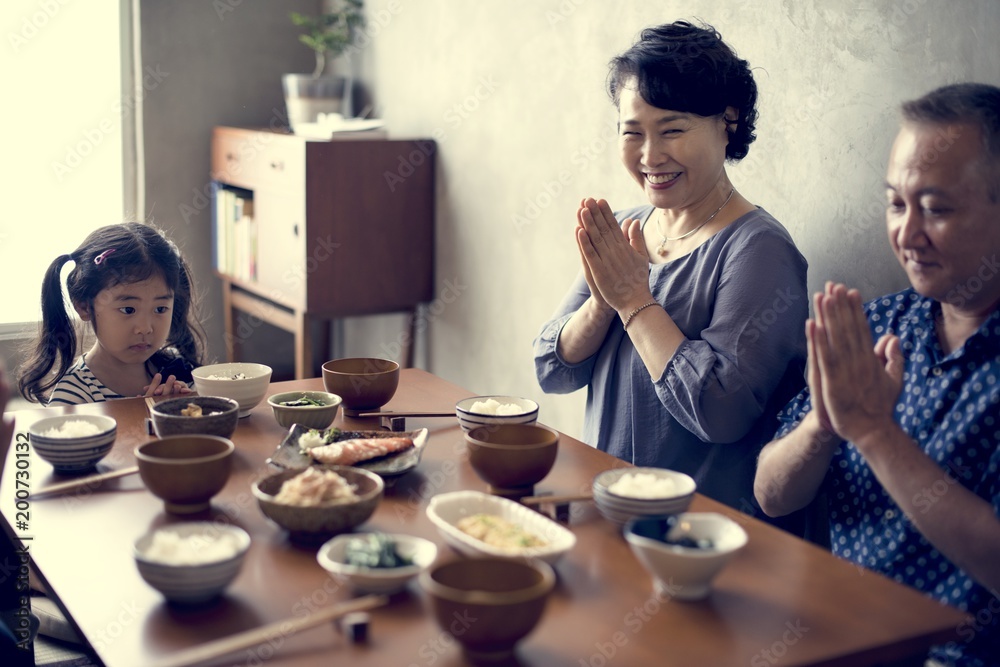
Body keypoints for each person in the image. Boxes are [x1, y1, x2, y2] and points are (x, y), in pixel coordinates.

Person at [754, 83, 1000, 666]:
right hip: (831, 637)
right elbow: (771, 495)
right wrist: (823, 424)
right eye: (896, 203)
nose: (906, 234)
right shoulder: (875, 325)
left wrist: (874, 432)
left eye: (936, 208)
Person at [534, 21, 809, 518]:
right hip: (604, 510)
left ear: (728, 120)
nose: (649, 155)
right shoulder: (623, 227)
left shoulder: (759, 249)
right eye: (632, 132)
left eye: (673, 130)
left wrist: (635, 302)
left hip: (698, 539)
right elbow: (551, 369)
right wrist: (603, 301)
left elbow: (722, 411)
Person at [18, 222, 206, 405]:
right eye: (128, 310)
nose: (145, 328)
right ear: (84, 307)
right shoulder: (73, 397)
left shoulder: (176, 371)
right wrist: (147, 417)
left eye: (160, 309)